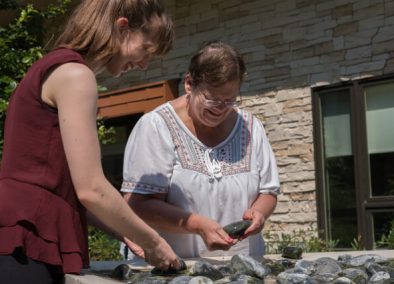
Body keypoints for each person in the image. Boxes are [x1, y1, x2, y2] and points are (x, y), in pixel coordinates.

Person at [0, 1, 181, 283]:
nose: (144, 65)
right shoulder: (75, 75)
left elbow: (63, 186)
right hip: (25, 239)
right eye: (146, 49)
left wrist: (123, 232)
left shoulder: (53, 67)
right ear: (122, 28)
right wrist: (154, 242)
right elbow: (91, 189)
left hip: (17, 235)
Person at [121, 41, 280, 259]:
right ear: (189, 83)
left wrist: (259, 213)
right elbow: (139, 205)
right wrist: (196, 225)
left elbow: (268, 191)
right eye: (212, 99)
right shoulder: (156, 127)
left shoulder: (251, 127)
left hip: (241, 265)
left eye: (229, 100)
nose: (220, 109)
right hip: (172, 268)